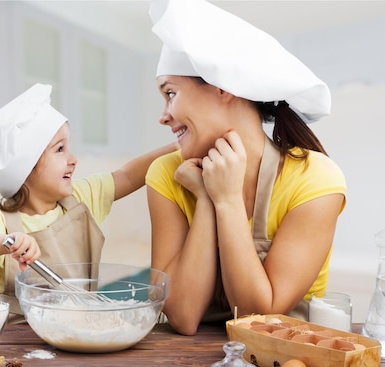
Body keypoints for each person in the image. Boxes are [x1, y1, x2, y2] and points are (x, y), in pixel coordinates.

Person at [145, 0, 347, 335]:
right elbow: (181, 314)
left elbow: (257, 315)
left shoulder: (316, 179)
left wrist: (226, 199)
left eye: (170, 93)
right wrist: (207, 198)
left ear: (222, 87)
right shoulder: (167, 175)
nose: (163, 115)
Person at [0, 83, 177, 323]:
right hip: (24, 341)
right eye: (60, 149)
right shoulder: (0, 221)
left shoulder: (80, 199)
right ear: (25, 168)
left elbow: (127, 176)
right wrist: (6, 242)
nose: (73, 159)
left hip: (82, 329)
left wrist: (179, 147)